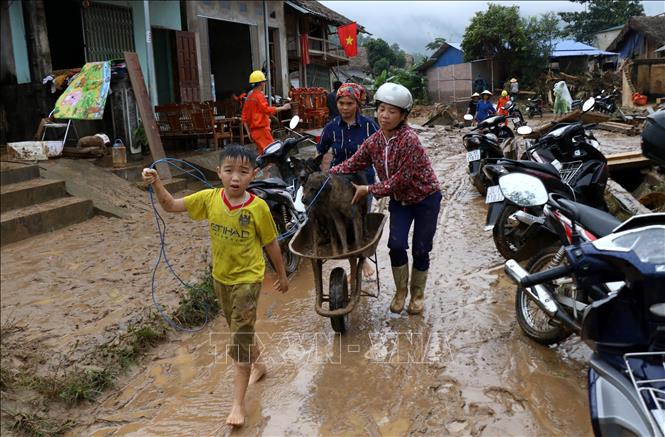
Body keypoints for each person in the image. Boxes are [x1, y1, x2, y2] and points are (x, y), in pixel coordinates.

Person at [141, 145, 289, 427]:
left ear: (253, 175)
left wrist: (281, 274)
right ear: (219, 172)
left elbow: (271, 243)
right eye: (229, 171)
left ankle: (237, 405)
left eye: (243, 172)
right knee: (239, 329)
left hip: (248, 280)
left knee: (239, 340)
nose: (236, 178)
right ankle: (260, 365)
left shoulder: (257, 207)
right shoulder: (209, 199)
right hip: (221, 279)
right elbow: (172, 206)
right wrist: (157, 182)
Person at [329, 83, 442, 316]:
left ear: (403, 115)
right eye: (381, 109)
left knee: (421, 249)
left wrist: (368, 189)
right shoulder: (375, 141)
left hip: (425, 199)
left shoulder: (410, 140)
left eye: (392, 111)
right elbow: (354, 162)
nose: (385, 115)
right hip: (400, 202)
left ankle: (417, 295)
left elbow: (401, 179)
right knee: (396, 245)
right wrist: (329, 174)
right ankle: (401, 292)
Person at [317, 82, 378, 278]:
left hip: (363, 180)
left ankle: (362, 259)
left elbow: (380, 152)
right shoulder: (331, 128)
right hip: (338, 183)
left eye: (349, 103)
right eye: (341, 103)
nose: (344, 107)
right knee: (341, 220)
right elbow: (321, 153)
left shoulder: (369, 126)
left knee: (360, 218)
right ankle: (350, 256)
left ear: (357, 104)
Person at [241, 70, 291, 154]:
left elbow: (244, 118)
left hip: (254, 133)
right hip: (262, 132)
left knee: (264, 157)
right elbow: (266, 110)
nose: (264, 84)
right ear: (261, 83)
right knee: (273, 155)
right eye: (264, 82)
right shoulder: (259, 96)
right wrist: (283, 107)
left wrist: (249, 132)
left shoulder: (248, 98)